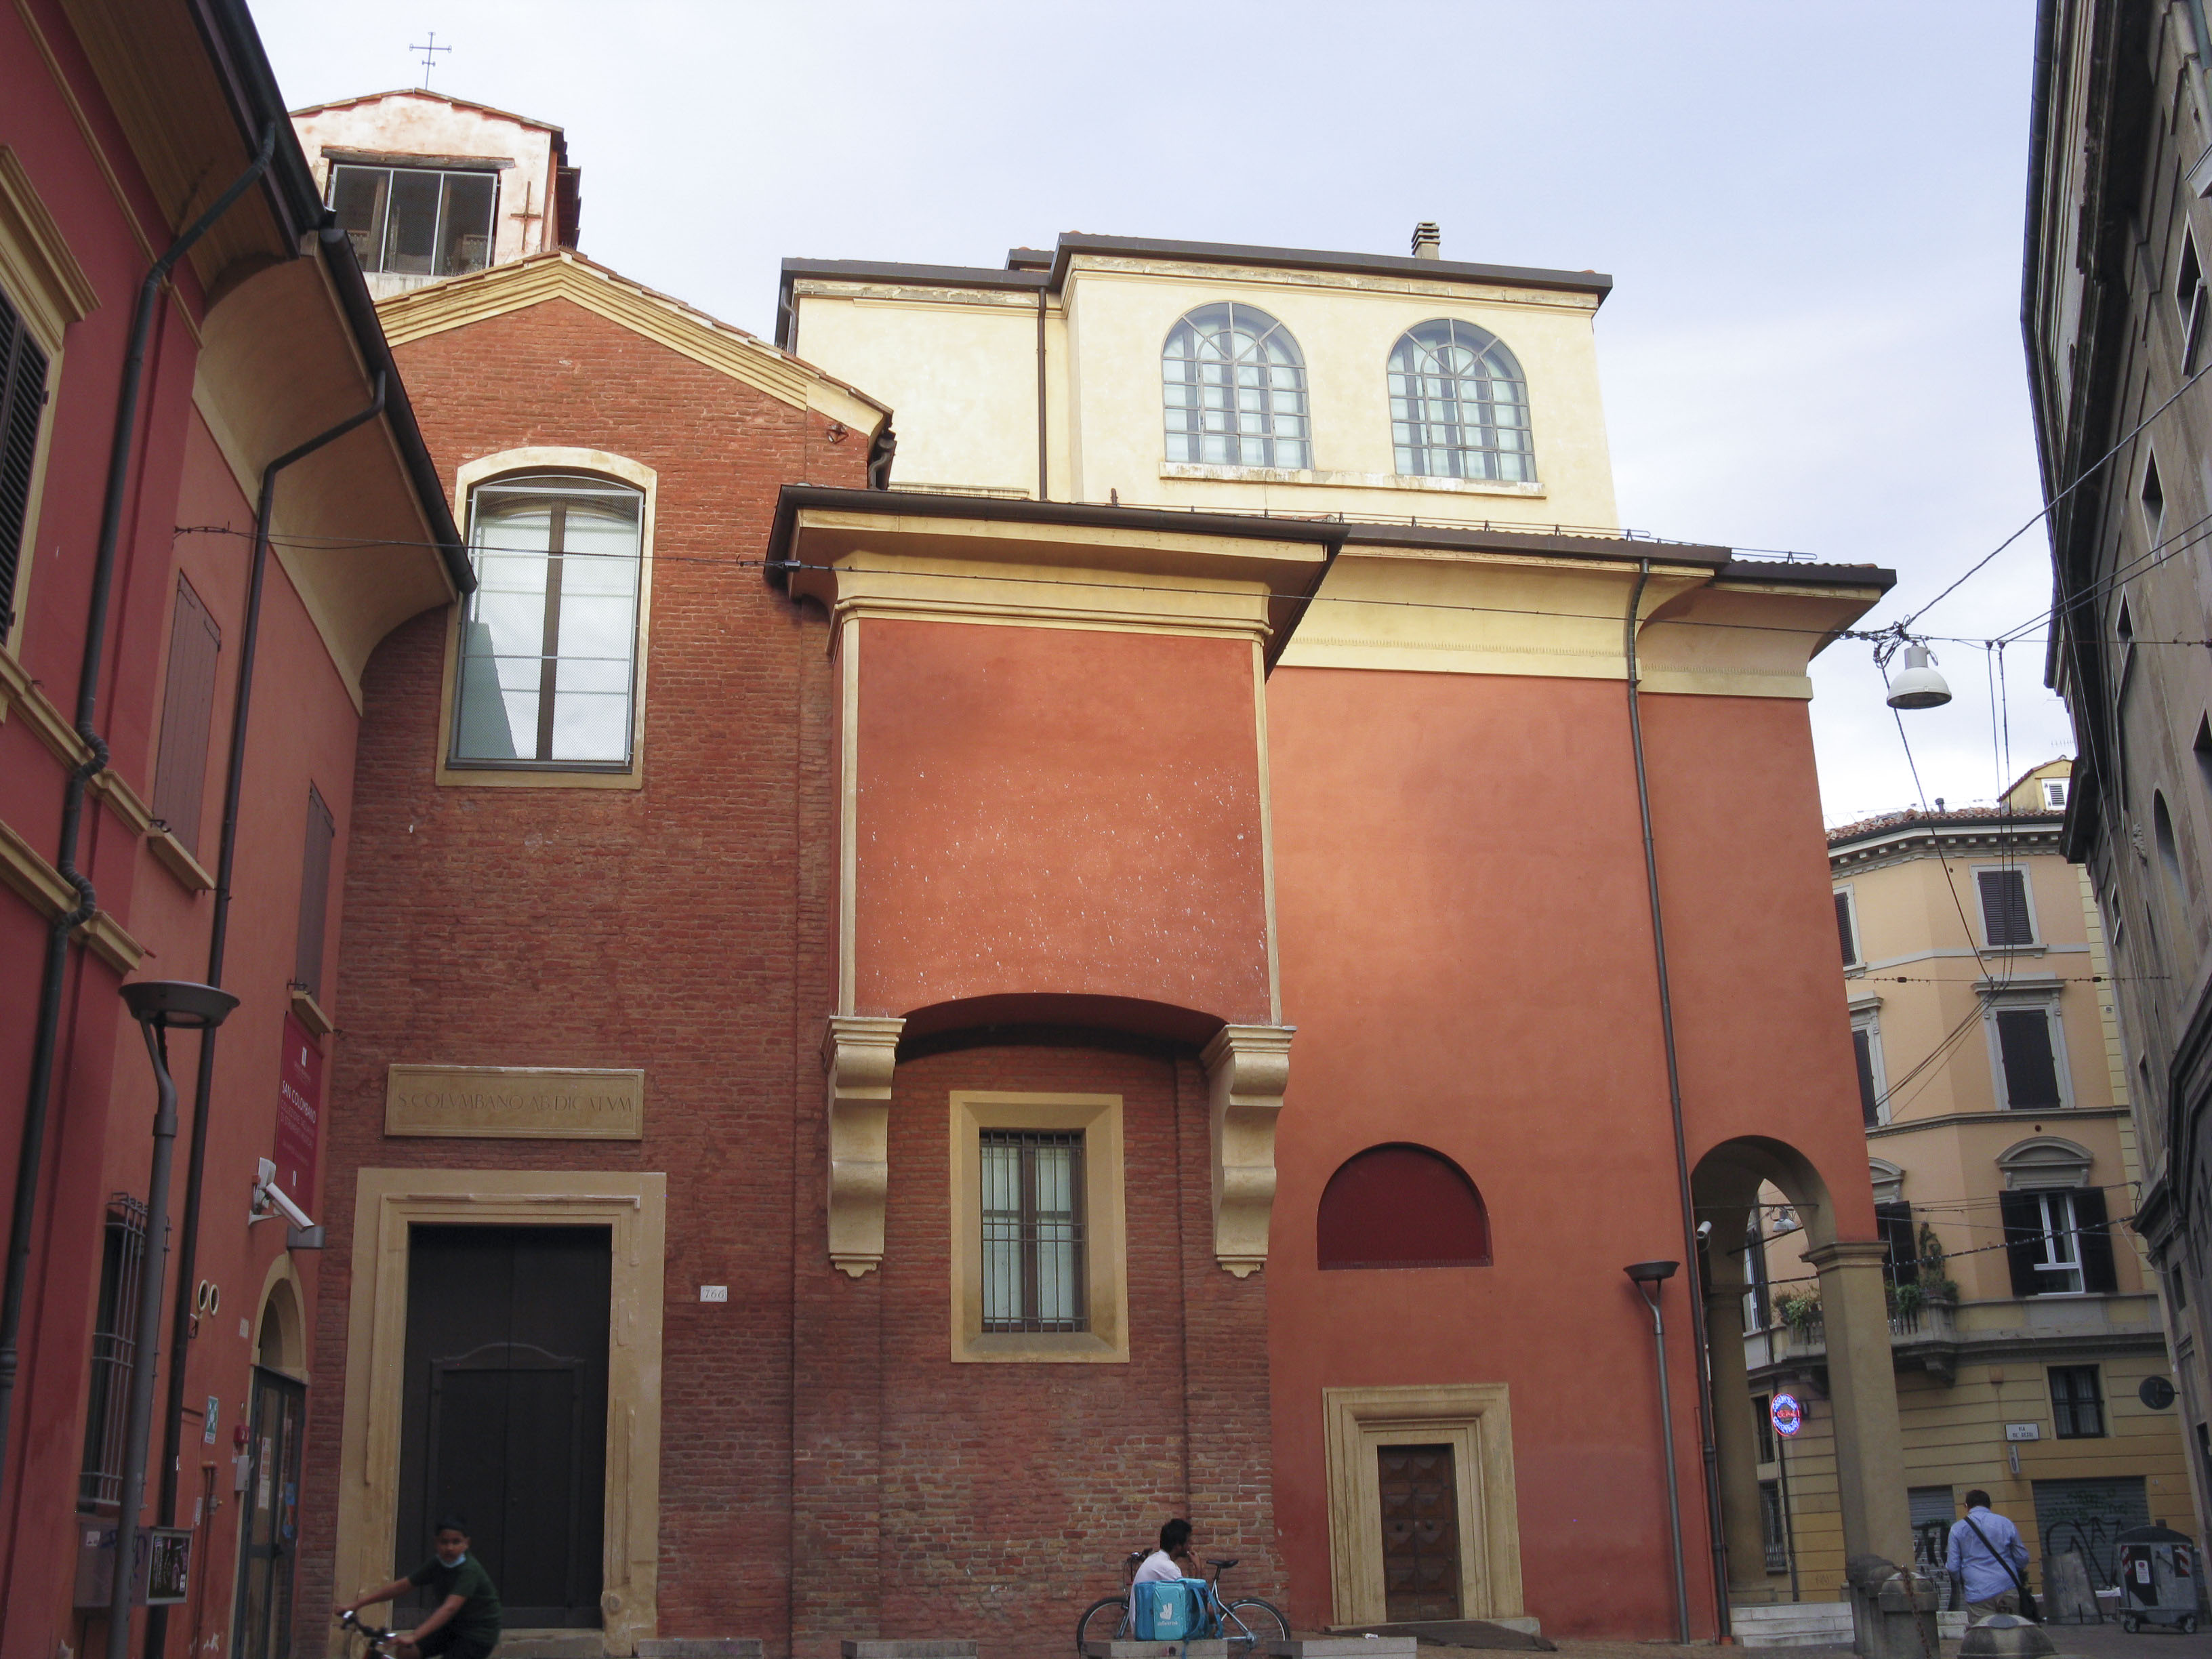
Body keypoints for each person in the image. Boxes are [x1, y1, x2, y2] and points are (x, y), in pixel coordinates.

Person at [337, 1516, 504, 1659]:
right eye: (444, 1542)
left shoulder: (469, 1570)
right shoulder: (438, 1563)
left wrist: (414, 1635)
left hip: (478, 1634)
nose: (450, 1548)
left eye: (456, 1542)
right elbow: (402, 1587)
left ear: (467, 1543)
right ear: (436, 1542)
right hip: (453, 1626)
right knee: (407, 1652)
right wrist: (357, 1605)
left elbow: (450, 1608)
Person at [1946, 1490, 2032, 1620]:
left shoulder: (1957, 1529)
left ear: (1966, 1506)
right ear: (1990, 1505)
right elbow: (2022, 1557)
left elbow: (1952, 1567)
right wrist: (2013, 1570)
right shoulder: (2006, 1523)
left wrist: (1965, 1580)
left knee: (1985, 1635)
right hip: (2006, 1587)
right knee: (2012, 1631)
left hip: (1977, 1591)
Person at [1134, 1518, 1194, 1584]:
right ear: (1178, 1545)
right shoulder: (1168, 1568)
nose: (1190, 1546)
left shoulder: (1156, 1558)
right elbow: (1189, 1593)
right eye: (1188, 1542)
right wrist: (1198, 1568)